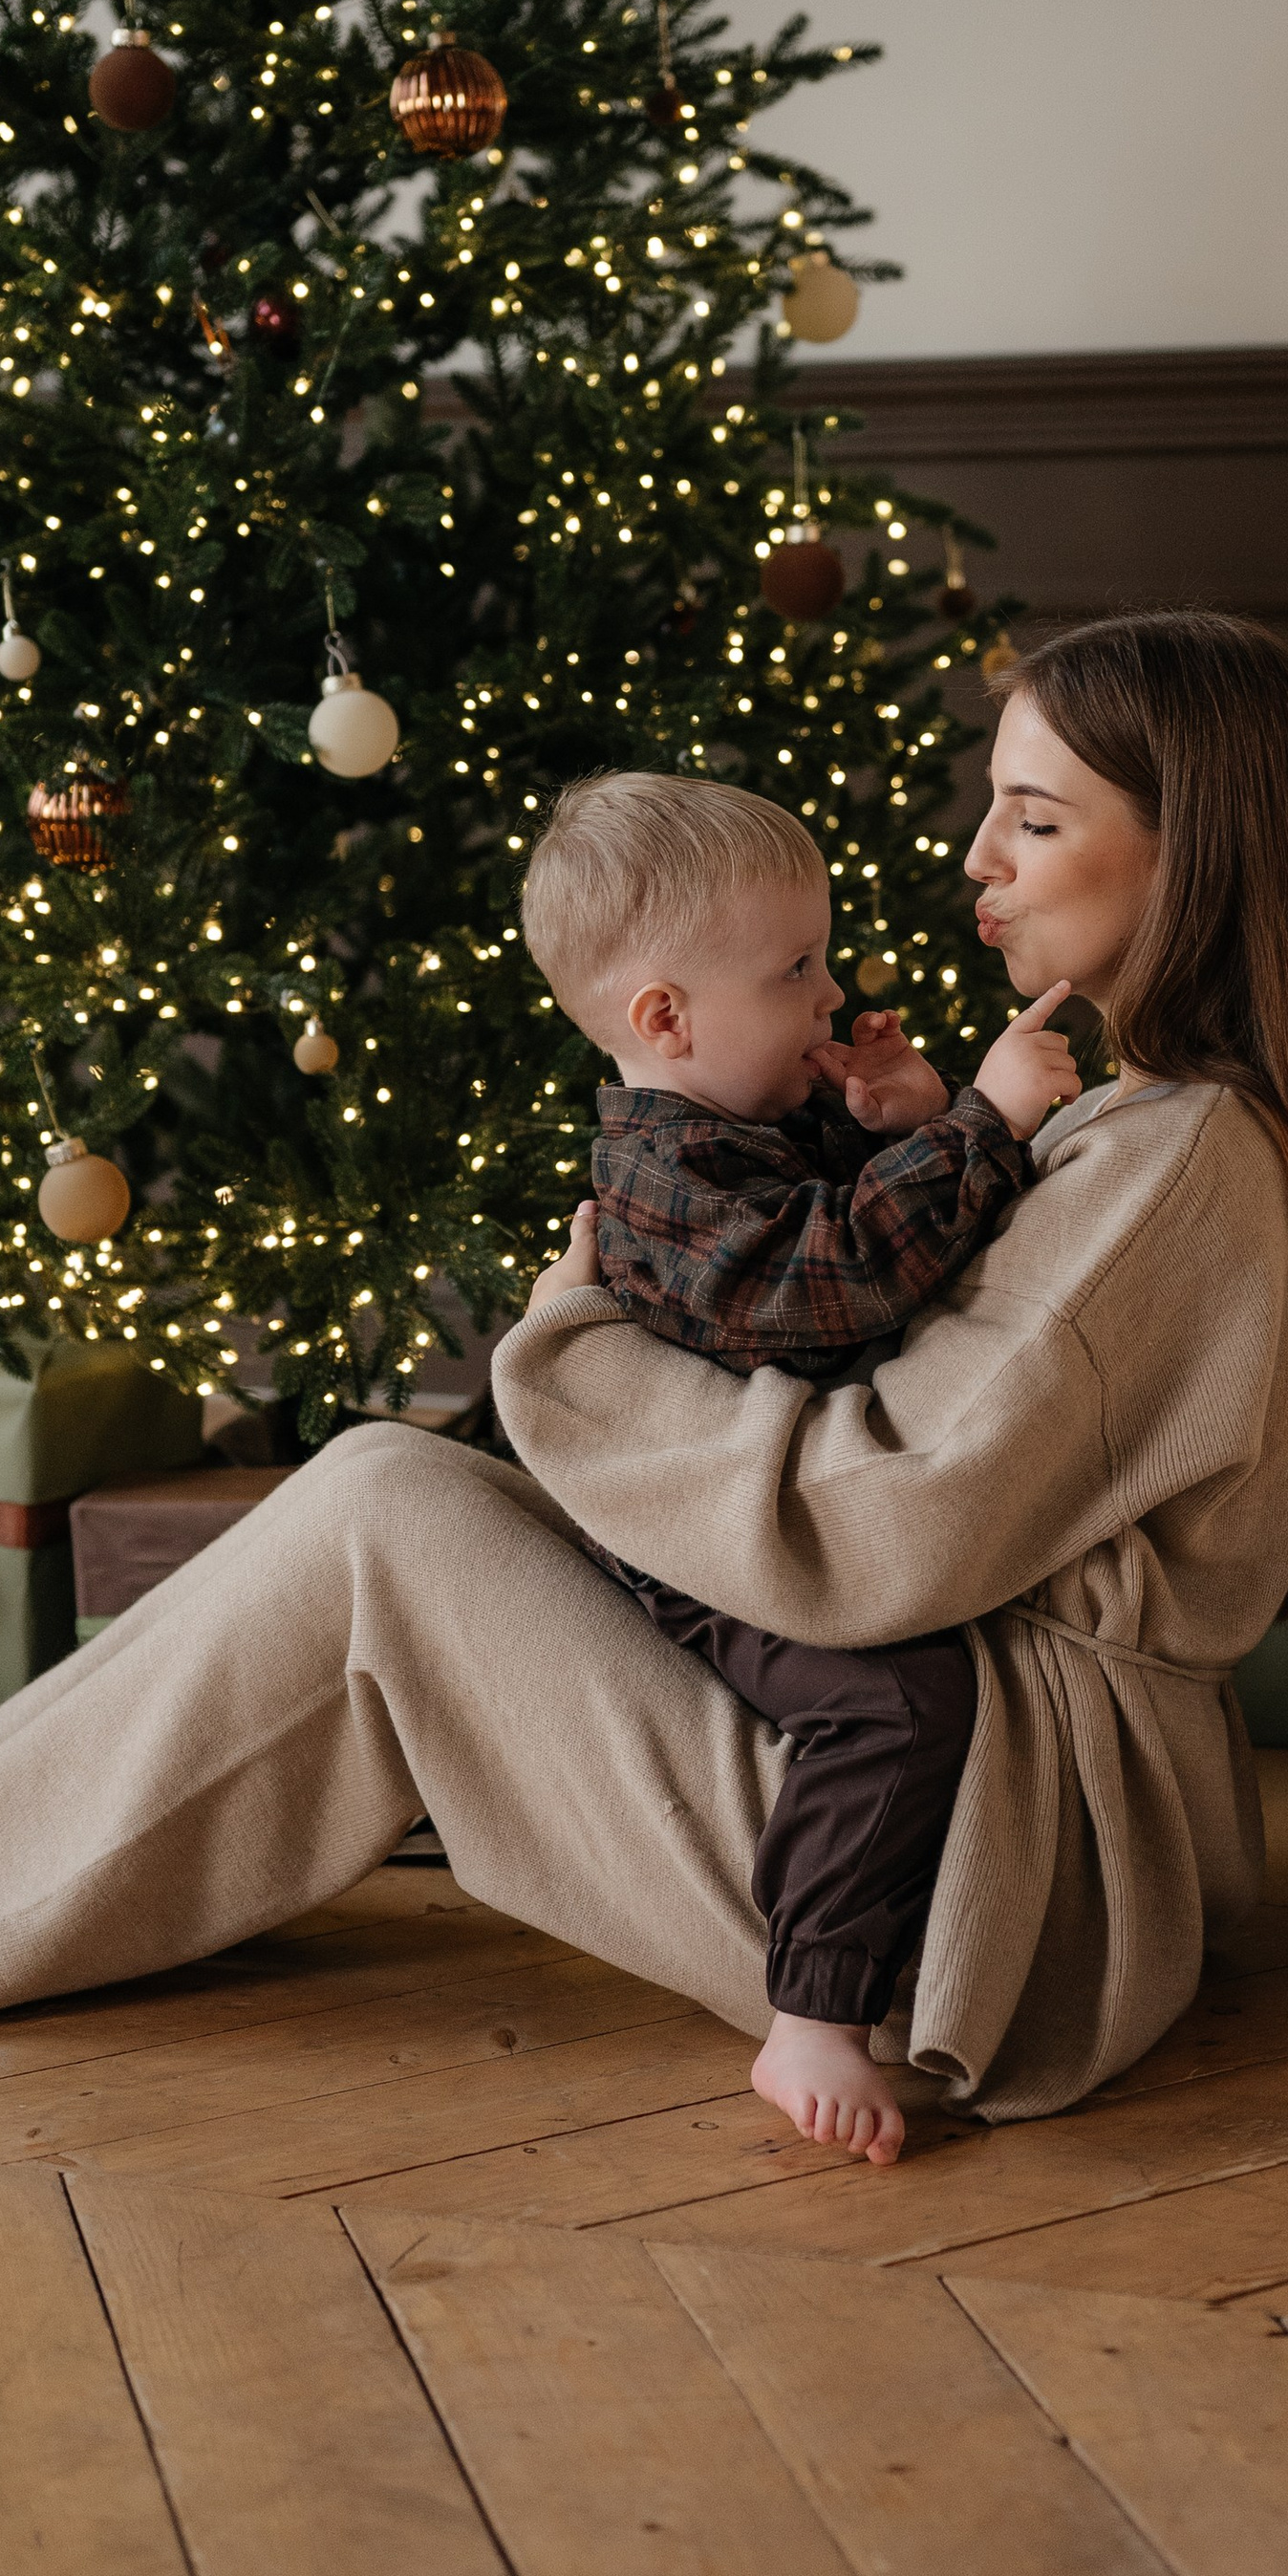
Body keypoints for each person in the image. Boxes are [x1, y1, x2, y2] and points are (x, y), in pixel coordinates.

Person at [0, 609, 1288, 2142]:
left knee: (384, 1517)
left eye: (1036, 817)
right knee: (385, 1489)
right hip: (958, 1807)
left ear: (1195, 852)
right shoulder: (1143, 1127)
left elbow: (887, 1531)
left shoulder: (1180, 1169)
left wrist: (572, 1352)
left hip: (983, 1888)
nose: (974, 862)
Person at [517, 768, 1086, 2164]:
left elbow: (846, 1200)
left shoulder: (750, 1121)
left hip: (779, 1501)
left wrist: (902, 1112)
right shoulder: (660, 1170)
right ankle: (814, 2012)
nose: (832, 995)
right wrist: (985, 1130)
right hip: (696, 1537)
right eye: (796, 970)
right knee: (893, 1702)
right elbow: (822, 1284)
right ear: (666, 1018)